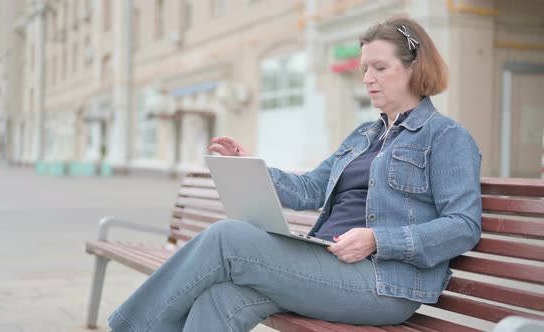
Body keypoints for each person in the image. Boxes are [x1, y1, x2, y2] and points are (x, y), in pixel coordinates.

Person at [108, 15, 482, 332]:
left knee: (228, 238)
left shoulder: (446, 137)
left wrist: (378, 239)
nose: (368, 78)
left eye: (380, 68)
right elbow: (310, 189)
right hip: (326, 263)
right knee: (222, 297)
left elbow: (464, 225)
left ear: (415, 67)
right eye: (364, 67)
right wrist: (254, 169)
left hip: (385, 283)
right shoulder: (364, 135)